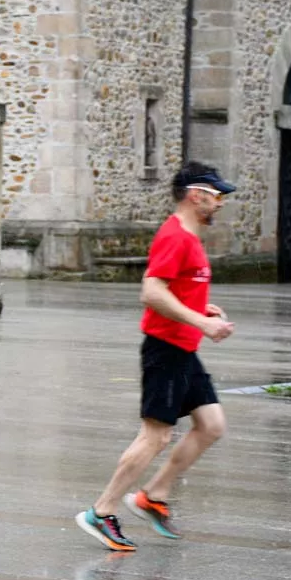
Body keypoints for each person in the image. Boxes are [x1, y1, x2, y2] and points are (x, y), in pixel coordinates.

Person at [75, 161, 236, 552]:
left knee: (212, 425)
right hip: (166, 349)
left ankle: (154, 495)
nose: (220, 204)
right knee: (156, 436)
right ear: (196, 195)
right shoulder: (176, 236)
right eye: (216, 196)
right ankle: (101, 510)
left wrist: (202, 307)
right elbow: (151, 292)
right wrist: (201, 320)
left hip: (185, 349)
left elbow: (174, 289)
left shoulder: (190, 238)